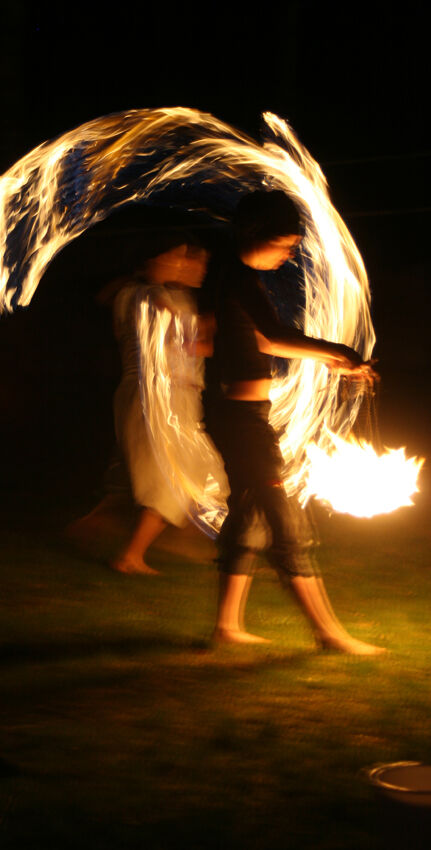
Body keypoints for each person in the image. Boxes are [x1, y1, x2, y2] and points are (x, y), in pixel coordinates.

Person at [208, 190, 385, 654]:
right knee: (287, 525)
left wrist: (335, 361)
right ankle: (329, 633)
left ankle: (227, 627)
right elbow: (273, 333)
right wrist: (339, 351)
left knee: (249, 516)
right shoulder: (235, 276)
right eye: (285, 245)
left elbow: (267, 343)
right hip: (242, 423)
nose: (289, 256)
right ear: (257, 235)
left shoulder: (238, 277)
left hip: (246, 417)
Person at [108, 232, 218, 575]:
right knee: (173, 481)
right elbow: (185, 338)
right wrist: (227, 324)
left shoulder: (156, 295)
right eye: (178, 256)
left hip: (172, 397)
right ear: (153, 260)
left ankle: (186, 544)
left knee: (199, 474)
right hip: (156, 399)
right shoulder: (145, 295)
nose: (184, 264)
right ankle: (131, 557)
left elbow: (190, 342)